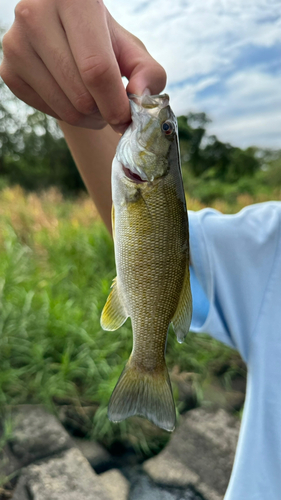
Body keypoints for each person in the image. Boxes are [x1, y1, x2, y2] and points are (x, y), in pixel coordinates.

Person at [1, 2, 281, 499]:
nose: (162, 121)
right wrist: (78, 96)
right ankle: (147, 364)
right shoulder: (265, 246)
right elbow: (142, 240)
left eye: (166, 131)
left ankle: (146, 365)